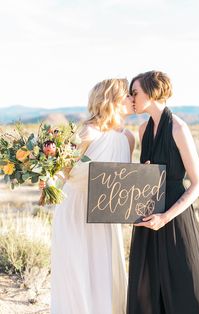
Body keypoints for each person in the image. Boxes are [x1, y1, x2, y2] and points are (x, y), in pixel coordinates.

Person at [127, 71, 199, 314]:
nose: (131, 97)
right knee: (146, 286)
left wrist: (166, 217)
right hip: (148, 216)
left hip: (175, 216)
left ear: (151, 92)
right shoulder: (142, 130)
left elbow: (198, 182)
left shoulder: (179, 128)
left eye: (134, 92)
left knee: (186, 283)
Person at [40, 79, 135, 314]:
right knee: (77, 270)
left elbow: (123, 180)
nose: (133, 99)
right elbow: (63, 170)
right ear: (112, 100)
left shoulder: (129, 138)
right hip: (76, 210)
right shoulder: (87, 132)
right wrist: (48, 182)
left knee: (103, 271)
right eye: (128, 95)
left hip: (105, 215)